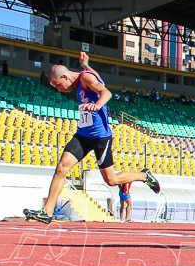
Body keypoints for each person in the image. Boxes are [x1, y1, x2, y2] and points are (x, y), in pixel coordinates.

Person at [23, 51, 160, 223]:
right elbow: (93, 75)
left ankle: (144, 176)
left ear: (65, 77)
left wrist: (96, 105)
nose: (60, 90)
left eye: (59, 85)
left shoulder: (85, 79)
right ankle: (47, 212)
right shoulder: (86, 74)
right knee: (61, 168)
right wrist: (86, 64)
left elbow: (106, 93)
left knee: (111, 180)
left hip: (100, 137)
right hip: (83, 134)